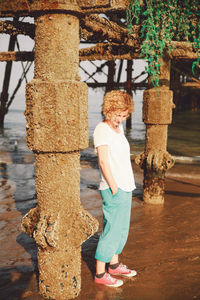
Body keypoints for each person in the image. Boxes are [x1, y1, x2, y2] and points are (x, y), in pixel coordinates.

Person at [93, 90, 137, 288]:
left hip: (126, 186)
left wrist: (124, 186)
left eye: (124, 115)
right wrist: (114, 187)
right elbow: (103, 161)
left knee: (121, 230)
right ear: (108, 110)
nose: (120, 119)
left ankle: (114, 264)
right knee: (111, 230)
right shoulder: (102, 129)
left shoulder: (118, 130)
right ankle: (100, 274)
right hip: (114, 187)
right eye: (117, 114)